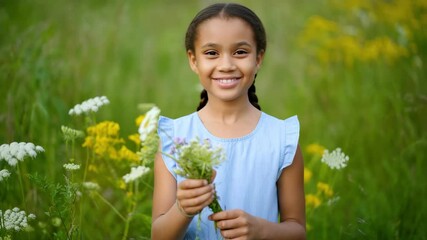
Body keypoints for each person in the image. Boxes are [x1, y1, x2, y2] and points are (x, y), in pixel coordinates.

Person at [151, 3, 306, 239]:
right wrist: (182, 210)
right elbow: (158, 235)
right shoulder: (174, 138)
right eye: (211, 53)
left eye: (240, 52)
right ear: (193, 60)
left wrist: (262, 230)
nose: (226, 65)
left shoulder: (282, 139)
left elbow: (297, 231)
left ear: (259, 58)